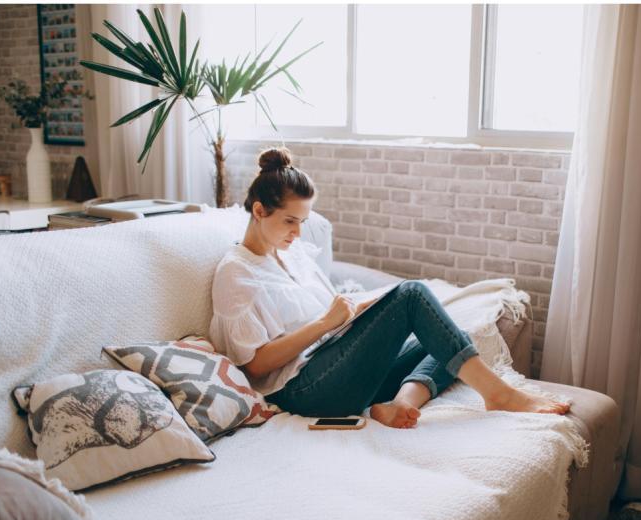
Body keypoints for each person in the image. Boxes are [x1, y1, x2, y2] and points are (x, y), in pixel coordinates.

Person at [209, 147, 570, 429]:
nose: (298, 232)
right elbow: (255, 366)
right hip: (303, 390)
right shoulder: (236, 273)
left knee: (455, 336)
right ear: (259, 210)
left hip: (337, 363)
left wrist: (356, 312)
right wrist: (324, 324)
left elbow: (330, 317)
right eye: (290, 221)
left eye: (302, 222)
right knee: (412, 295)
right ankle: (498, 394)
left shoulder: (294, 254)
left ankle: (401, 404)